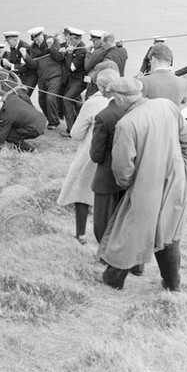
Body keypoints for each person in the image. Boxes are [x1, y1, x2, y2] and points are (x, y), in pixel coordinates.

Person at [97, 77, 187, 292]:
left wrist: (129, 184)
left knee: (127, 232)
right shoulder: (167, 105)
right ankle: (172, 284)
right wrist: (179, 166)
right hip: (176, 182)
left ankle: (113, 281)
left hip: (145, 188)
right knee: (169, 233)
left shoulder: (126, 124)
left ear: (120, 99)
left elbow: (122, 169)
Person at [57, 66, 120, 245]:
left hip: (92, 153)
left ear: (100, 87)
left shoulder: (94, 103)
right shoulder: (126, 100)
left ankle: (81, 234)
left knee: (81, 189)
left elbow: (76, 133)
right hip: (117, 156)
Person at [88, 63, 131, 244]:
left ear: (103, 88)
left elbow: (96, 154)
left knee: (102, 220)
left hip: (107, 175)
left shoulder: (103, 116)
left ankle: (105, 254)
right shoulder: (133, 109)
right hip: (131, 173)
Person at [23, 26, 65, 129]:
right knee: (41, 100)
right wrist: (25, 56)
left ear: (42, 34)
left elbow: (59, 57)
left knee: (50, 98)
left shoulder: (52, 40)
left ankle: (54, 122)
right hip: (42, 77)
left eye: (38, 38)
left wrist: (51, 47)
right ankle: (49, 119)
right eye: (34, 39)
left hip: (55, 75)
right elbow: (34, 65)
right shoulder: (32, 47)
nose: (36, 41)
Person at [53, 26, 87, 134]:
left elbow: (71, 68)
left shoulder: (81, 50)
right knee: (76, 102)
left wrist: (68, 54)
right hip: (70, 79)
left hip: (78, 80)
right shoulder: (71, 45)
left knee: (66, 99)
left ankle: (71, 130)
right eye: (68, 37)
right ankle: (82, 123)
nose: (68, 39)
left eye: (71, 38)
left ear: (78, 39)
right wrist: (62, 52)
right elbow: (59, 57)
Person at [84, 32, 128, 96]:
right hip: (120, 82)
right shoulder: (123, 50)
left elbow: (103, 75)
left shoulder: (107, 57)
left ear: (107, 43)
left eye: (102, 43)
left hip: (111, 86)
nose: (101, 45)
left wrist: (90, 78)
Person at [1, 31, 37, 96]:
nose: (8, 44)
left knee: (23, 97)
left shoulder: (24, 47)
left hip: (28, 77)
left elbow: (24, 68)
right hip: (20, 76)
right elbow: (13, 60)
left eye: (9, 42)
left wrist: (9, 65)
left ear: (15, 39)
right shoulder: (13, 47)